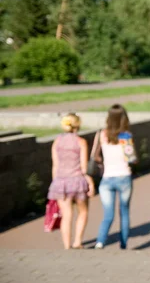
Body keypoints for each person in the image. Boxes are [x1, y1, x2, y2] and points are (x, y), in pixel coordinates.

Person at [48, 113, 95, 249]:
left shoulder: (57, 142)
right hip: (77, 181)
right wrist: (91, 183)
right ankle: (77, 241)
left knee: (66, 214)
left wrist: (55, 184)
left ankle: (67, 245)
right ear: (78, 125)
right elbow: (84, 167)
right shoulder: (81, 142)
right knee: (83, 211)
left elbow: (55, 165)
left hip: (60, 182)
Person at [94, 104, 137, 250]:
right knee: (124, 212)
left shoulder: (102, 134)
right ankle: (123, 244)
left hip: (107, 178)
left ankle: (100, 241)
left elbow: (96, 156)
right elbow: (131, 158)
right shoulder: (125, 136)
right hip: (124, 177)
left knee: (108, 214)